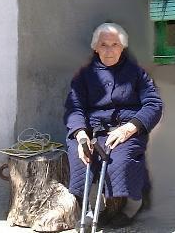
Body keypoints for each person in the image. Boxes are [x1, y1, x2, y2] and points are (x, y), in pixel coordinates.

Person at [63, 22, 163, 228]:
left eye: (114, 44)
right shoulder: (84, 76)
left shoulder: (136, 73)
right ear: (96, 48)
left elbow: (154, 104)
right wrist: (81, 135)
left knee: (119, 160)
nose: (109, 50)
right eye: (104, 45)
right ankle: (87, 208)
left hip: (125, 130)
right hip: (91, 130)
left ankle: (131, 204)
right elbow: (74, 107)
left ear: (122, 47)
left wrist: (130, 128)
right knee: (81, 156)